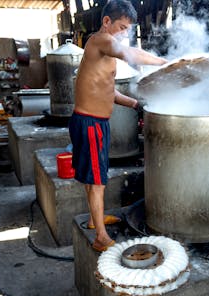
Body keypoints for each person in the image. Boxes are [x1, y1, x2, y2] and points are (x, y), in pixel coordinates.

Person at [70, 0, 168, 252]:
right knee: (97, 179)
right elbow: (131, 54)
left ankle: (94, 219)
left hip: (94, 122)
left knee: (94, 175)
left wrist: (135, 104)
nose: (125, 33)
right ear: (106, 22)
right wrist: (163, 63)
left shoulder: (104, 51)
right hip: (90, 122)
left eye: (128, 29)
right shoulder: (99, 40)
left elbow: (108, 90)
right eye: (122, 27)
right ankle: (101, 237)